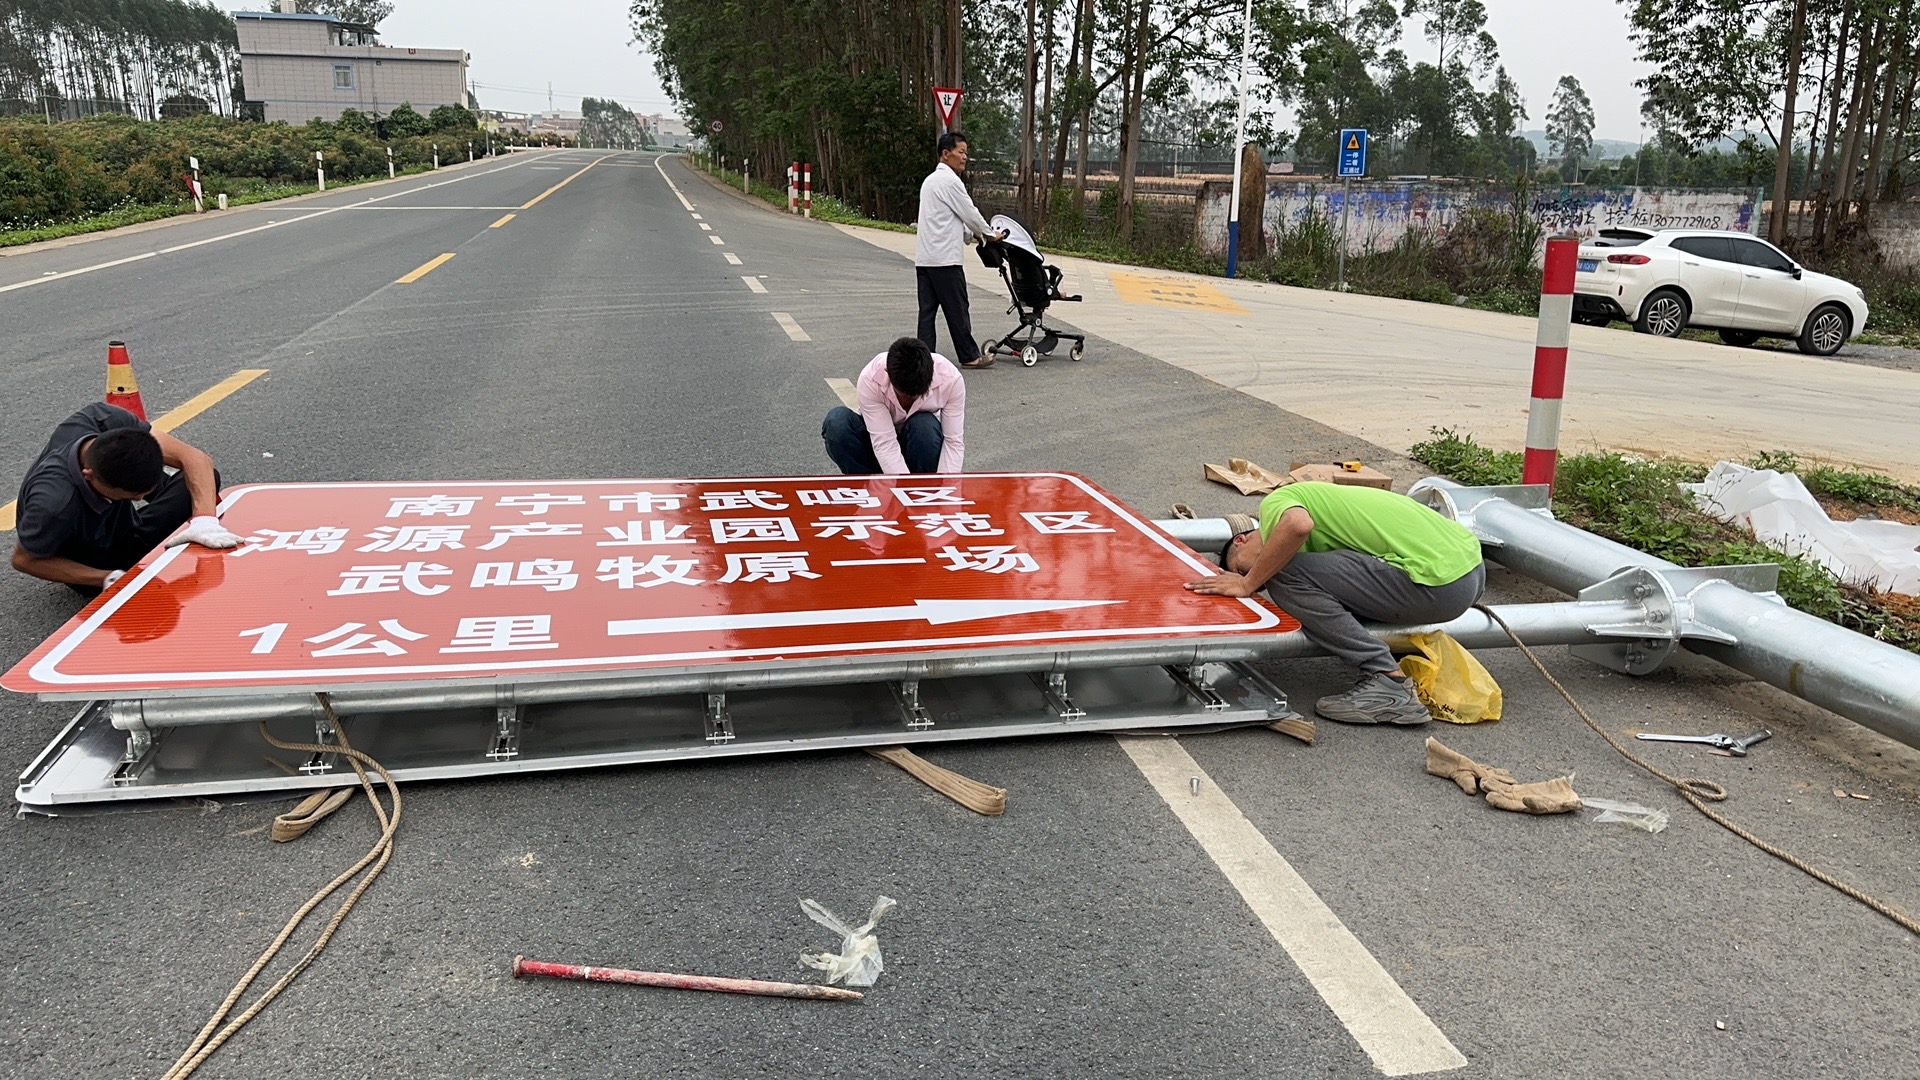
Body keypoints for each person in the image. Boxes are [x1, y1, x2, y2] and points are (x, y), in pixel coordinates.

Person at [1186, 481, 1486, 726]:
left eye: (1240, 567)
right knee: (1306, 576)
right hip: (1470, 571)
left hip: (1438, 582)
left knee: (1286, 576)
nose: (1257, 581)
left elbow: (1297, 524)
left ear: (1241, 540)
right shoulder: (1329, 512)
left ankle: (1386, 681)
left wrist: (1245, 582)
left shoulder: (1279, 503)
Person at [11, 402, 242, 594]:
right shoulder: (55, 505)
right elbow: (25, 560)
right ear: (89, 476)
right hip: (92, 554)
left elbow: (194, 458)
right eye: (133, 496)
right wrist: (107, 577)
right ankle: (130, 562)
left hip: (117, 517)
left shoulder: (105, 420)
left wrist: (204, 521)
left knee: (203, 477)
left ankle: (171, 534)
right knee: (158, 607)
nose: (141, 497)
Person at [916, 131, 1005, 370]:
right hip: (945, 260)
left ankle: (923, 360)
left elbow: (947, 219)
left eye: (966, 152)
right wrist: (988, 234)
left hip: (925, 260)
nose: (965, 157)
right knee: (958, 310)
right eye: (961, 152)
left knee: (927, 313)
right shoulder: (950, 181)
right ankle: (969, 356)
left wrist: (971, 234)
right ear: (946, 154)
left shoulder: (930, 181)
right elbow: (969, 212)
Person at [822, 337, 965, 475]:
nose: (909, 401)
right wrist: (901, 490)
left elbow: (953, 442)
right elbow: (885, 443)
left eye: (917, 396)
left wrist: (946, 489)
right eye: (903, 395)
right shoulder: (870, 378)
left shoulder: (951, 380)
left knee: (924, 426)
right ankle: (865, 484)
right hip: (876, 445)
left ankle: (925, 484)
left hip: (919, 448)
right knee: (837, 422)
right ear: (887, 373)